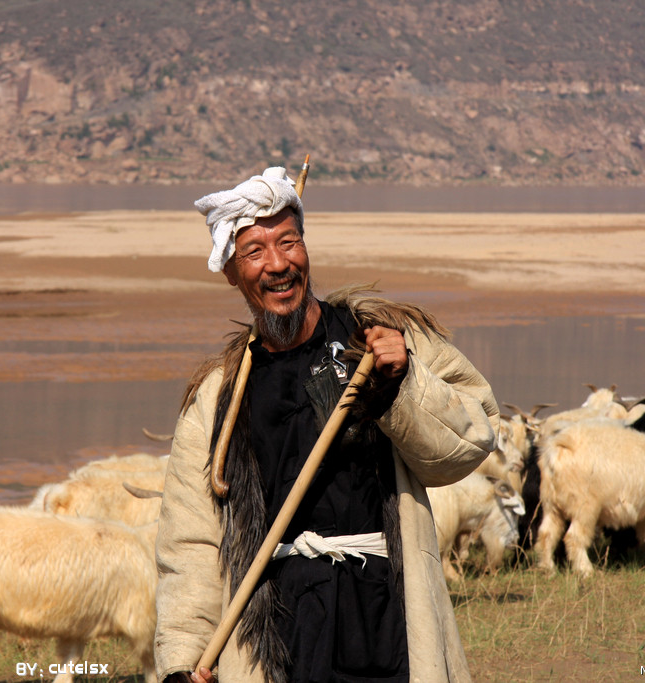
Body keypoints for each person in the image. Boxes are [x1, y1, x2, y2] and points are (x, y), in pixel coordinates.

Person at [154, 167, 500, 683]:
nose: (278, 264)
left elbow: (471, 440)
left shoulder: (381, 339)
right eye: (254, 252)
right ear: (230, 270)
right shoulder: (217, 399)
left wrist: (402, 385)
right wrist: (183, 660)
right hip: (278, 631)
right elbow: (191, 543)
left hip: (388, 614)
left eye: (288, 242)